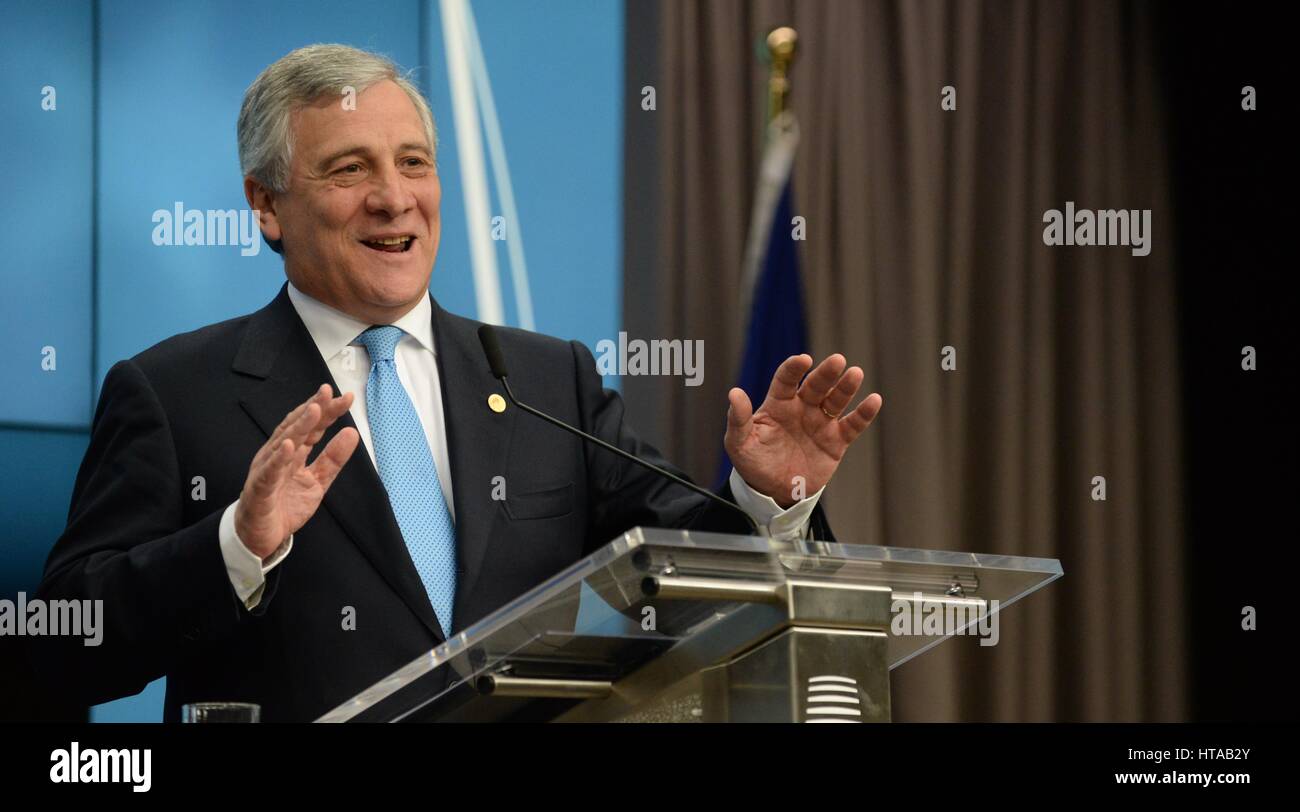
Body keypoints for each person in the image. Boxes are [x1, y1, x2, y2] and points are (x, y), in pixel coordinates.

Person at [33, 44, 883, 721]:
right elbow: (70, 642)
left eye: (413, 162)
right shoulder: (176, 391)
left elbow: (695, 585)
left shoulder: (549, 378)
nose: (394, 199)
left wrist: (771, 499)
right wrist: (236, 546)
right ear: (265, 204)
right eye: (349, 170)